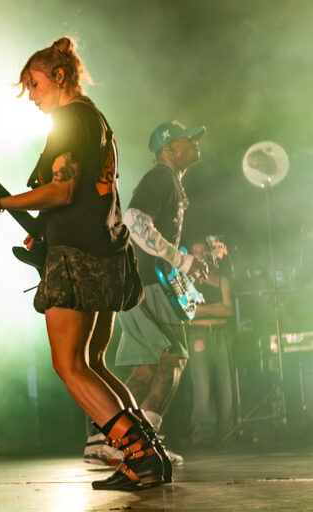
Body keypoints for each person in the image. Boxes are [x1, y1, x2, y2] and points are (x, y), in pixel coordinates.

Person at [0, 37, 170, 490]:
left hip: (78, 258)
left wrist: (1, 201)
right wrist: (45, 229)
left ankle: (139, 457)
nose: (32, 96)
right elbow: (82, 195)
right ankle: (149, 454)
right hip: (105, 251)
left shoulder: (68, 119)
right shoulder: (94, 119)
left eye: (35, 84)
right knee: (93, 361)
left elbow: (62, 189)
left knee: (70, 365)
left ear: (59, 77)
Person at [95, 119, 208, 466]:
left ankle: (111, 442)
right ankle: (143, 443)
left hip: (135, 283)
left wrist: (184, 267)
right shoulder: (161, 177)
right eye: (187, 139)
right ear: (169, 149)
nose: (195, 142)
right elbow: (134, 220)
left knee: (145, 369)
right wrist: (182, 261)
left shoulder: (168, 180)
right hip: (147, 284)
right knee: (173, 360)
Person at [187, 241, 235, 446]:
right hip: (199, 336)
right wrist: (216, 308)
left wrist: (203, 310)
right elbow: (190, 312)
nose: (199, 255)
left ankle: (228, 432)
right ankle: (202, 434)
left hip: (221, 334)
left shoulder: (222, 279)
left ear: (209, 254)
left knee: (226, 385)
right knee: (202, 386)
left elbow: (228, 310)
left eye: (203, 251)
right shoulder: (188, 281)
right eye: (195, 252)